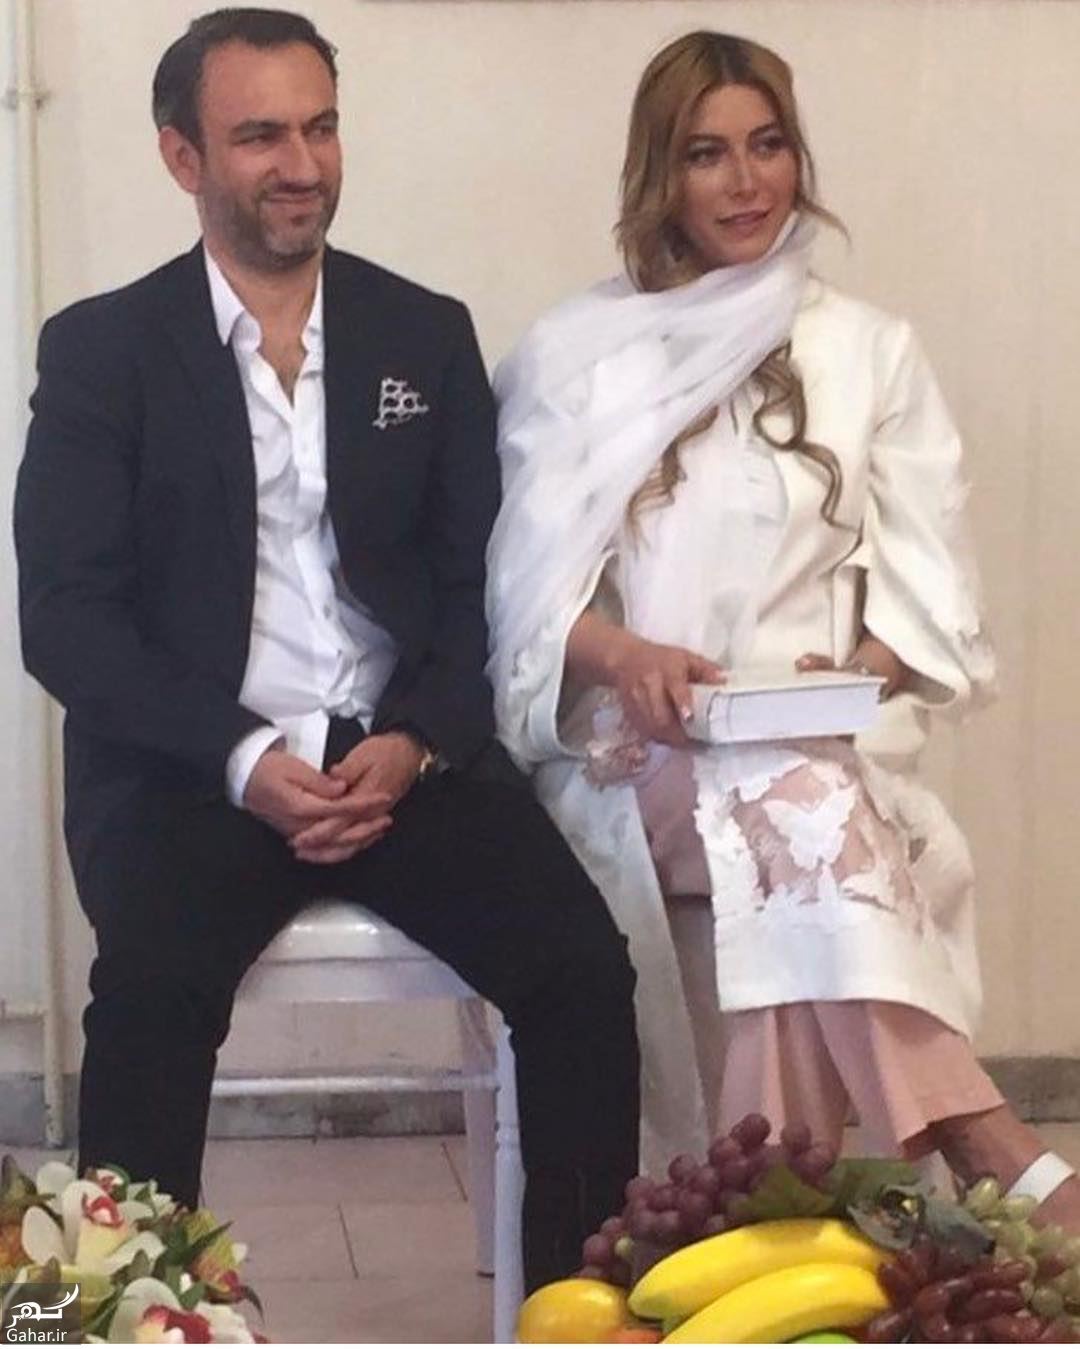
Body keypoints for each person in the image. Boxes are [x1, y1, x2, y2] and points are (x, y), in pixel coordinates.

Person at [13, 7, 640, 1290]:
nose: (301, 164)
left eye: (321, 127)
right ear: (182, 157)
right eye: (260, 136)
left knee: (583, 973)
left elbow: (475, 589)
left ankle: (583, 1311)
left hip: (402, 761)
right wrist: (243, 758)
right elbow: (66, 618)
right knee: (146, 1004)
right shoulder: (102, 352)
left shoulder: (424, 333)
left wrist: (415, 740)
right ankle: (105, 1321)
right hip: (195, 770)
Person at [486, 29, 1080, 1227]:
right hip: (633, 758)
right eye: (707, 153)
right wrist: (630, 658)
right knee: (789, 804)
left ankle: (767, 1205)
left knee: (784, 815)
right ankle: (986, 1137)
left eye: (768, 146)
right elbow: (524, 601)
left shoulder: (868, 350)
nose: (746, 180)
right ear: (660, 172)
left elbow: (931, 591)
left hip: (821, 754)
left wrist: (854, 669)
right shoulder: (577, 354)